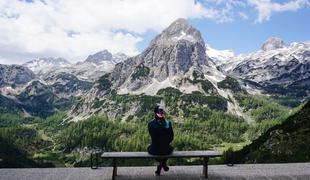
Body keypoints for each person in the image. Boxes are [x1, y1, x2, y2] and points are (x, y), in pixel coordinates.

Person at [147, 105, 174, 176]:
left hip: (154, 150)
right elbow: (171, 138)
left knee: (149, 148)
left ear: (155, 113)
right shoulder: (168, 123)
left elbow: (152, 136)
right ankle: (163, 164)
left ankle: (160, 165)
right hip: (166, 149)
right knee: (170, 149)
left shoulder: (150, 124)